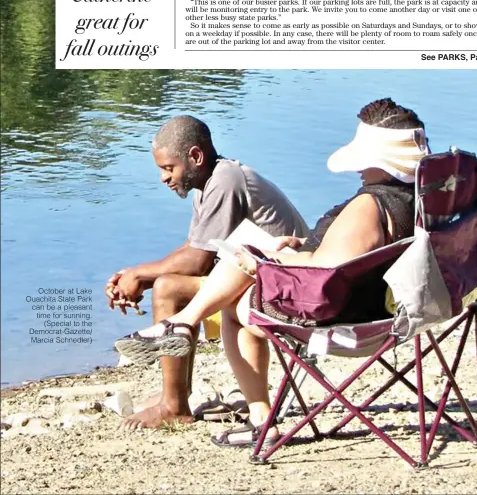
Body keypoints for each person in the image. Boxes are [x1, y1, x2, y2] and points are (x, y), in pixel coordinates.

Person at [114, 98, 429, 442]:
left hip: (332, 311)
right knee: (238, 261)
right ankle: (186, 340)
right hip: (374, 301)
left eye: (363, 161)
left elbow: (324, 271)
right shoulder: (418, 201)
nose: (358, 169)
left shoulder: (369, 207)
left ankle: (200, 387)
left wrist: (266, 259)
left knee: (213, 284)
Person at [105, 114, 308, 429]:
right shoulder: (208, 184)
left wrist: (142, 276)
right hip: (260, 280)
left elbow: (197, 261)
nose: (163, 178)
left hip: (288, 289)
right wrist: (135, 278)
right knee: (167, 283)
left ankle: (174, 405)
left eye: (168, 168)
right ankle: (175, 396)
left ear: (195, 157)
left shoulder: (225, 181)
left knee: (169, 288)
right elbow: (192, 248)